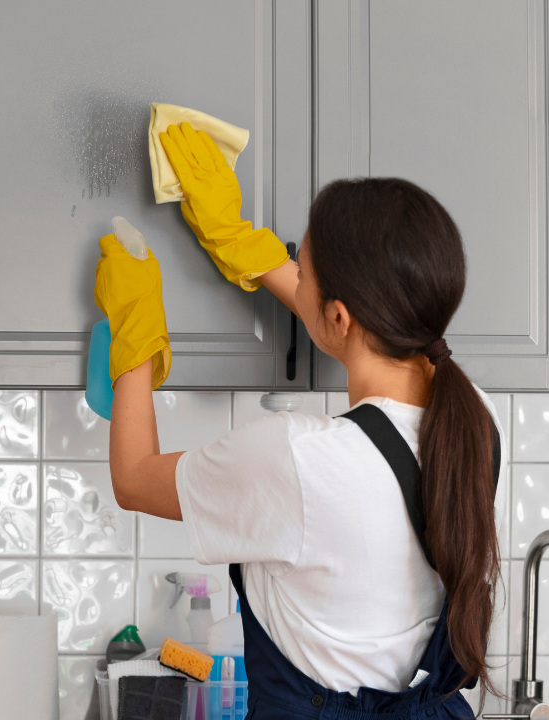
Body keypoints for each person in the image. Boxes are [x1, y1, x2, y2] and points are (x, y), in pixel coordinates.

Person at [93, 123, 506, 719]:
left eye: (300, 268)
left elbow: (133, 479)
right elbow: (368, 325)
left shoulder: (298, 459)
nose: (294, 273)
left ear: (339, 317)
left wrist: (134, 330)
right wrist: (239, 242)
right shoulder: (474, 421)